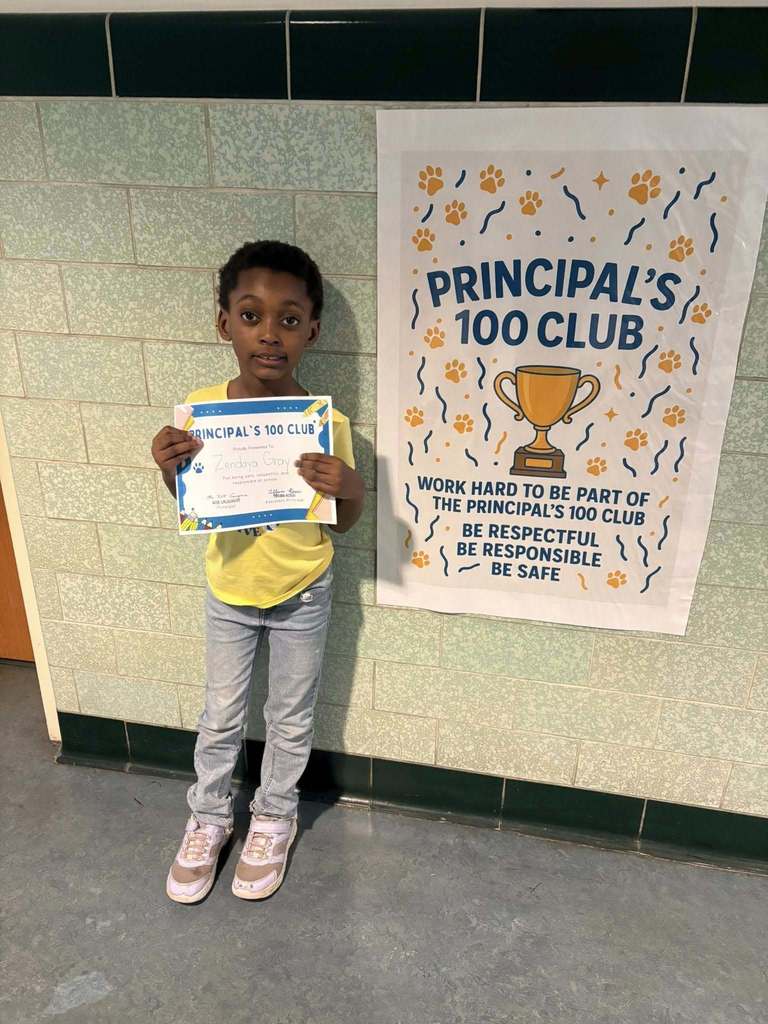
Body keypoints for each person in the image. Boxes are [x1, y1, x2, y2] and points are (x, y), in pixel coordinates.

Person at [151, 240, 365, 904]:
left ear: (312, 332)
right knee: (220, 714)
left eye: (289, 320)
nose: (270, 333)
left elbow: (342, 523)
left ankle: (274, 816)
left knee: (290, 716)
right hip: (230, 590)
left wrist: (351, 486)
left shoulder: (326, 423)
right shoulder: (200, 412)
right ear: (225, 324)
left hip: (304, 590)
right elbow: (193, 501)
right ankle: (209, 817)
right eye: (251, 316)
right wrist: (169, 468)